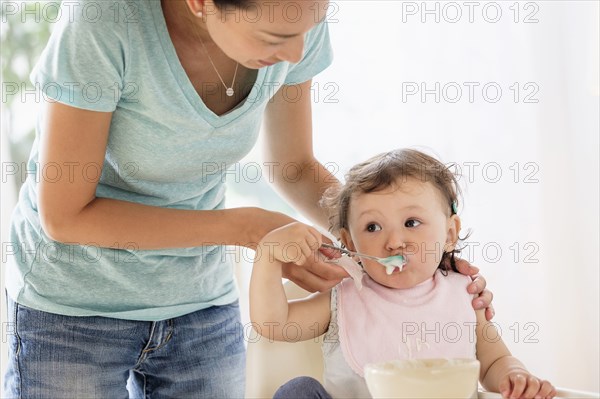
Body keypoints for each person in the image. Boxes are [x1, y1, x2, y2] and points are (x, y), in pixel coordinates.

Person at [3, 0, 493, 396]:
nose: (298, 53)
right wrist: (247, 228)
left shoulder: (293, 15)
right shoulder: (106, 22)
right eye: (276, 39)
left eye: (312, 26)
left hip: (198, 299)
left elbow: (295, 167)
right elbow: (65, 215)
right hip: (74, 309)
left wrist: (398, 240)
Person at [250, 148, 556, 399]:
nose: (394, 241)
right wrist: (267, 256)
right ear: (349, 243)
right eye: (372, 227)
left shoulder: (464, 294)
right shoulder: (343, 299)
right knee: (298, 391)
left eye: (411, 222)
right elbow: (273, 324)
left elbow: (495, 363)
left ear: (450, 233)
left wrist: (515, 377)